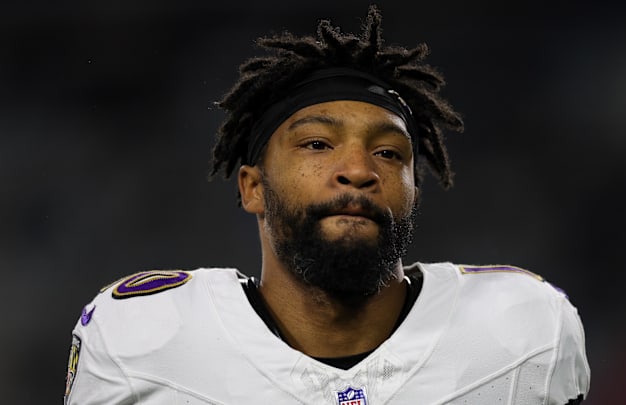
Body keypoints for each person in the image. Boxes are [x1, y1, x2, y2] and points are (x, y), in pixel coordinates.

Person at [64, 5, 590, 404]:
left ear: (413, 190)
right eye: (317, 144)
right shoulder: (144, 340)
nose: (359, 170)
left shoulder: (523, 330)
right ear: (251, 188)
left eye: (388, 152)